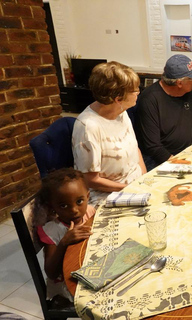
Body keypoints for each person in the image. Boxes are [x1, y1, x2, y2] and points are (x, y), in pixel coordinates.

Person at [72, 61, 147, 202]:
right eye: (135, 90)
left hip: (135, 185)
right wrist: (129, 188)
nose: (138, 93)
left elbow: (134, 148)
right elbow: (91, 180)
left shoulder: (121, 112)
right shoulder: (88, 127)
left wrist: (143, 177)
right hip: (108, 194)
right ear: (118, 99)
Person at [33, 168, 95, 304]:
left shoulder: (90, 212)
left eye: (79, 201)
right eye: (63, 205)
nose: (74, 210)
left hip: (89, 272)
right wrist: (63, 243)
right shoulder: (53, 231)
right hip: (68, 286)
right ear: (52, 207)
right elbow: (51, 272)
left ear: (88, 197)